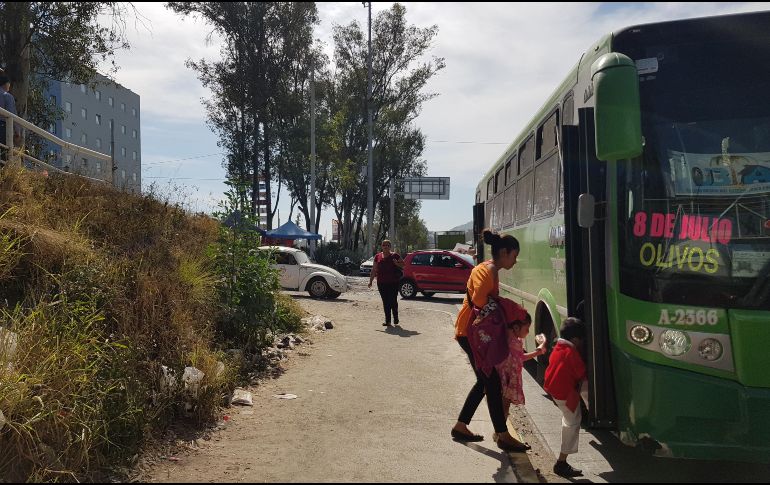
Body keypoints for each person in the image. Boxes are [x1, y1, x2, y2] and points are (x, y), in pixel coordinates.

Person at [451, 228, 530, 452]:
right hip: (471, 334)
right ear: (504, 252)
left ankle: (460, 426)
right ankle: (502, 434)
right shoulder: (489, 271)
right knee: (492, 382)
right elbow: (479, 300)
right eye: (514, 256)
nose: (515, 261)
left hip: (468, 331)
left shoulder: (487, 268)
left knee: (484, 381)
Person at [544, 317, 588, 478]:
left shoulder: (558, 346)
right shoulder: (572, 353)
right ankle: (561, 462)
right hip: (565, 394)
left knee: (569, 418)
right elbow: (583, 376)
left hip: (555, 391)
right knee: (573, 422)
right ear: (575, 340)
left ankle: (562, 461)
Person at [495, 302, 546, 421]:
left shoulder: (508, 338)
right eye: (527, 328)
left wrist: (537, 352)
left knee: (502, 406)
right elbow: (521, 357)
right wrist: (537, 352)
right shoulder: (514, 343)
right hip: (509, 380)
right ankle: (501, 431)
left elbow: (519, 357)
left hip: (504, 378)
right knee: (505, 407)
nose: (528, 332)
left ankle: (500, 430)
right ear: (516, 328)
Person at [368, 239, 404, 327]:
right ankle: (387, 321)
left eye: (388, 245)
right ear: (382, 246)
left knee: (393, 301)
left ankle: (395, 317)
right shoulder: (377, 256)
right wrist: (371, 281)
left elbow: (403, 264)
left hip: (393, 282)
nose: (386, 246)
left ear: (390, 247)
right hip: (381, 283)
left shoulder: (395, 255)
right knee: (385, 302)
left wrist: (396, 264)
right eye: (384, 245)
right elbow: (374, 269)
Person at [0, 73, 19, 161]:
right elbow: (12, 114)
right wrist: (17, 131)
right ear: (6, 84)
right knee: (3, 152)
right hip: (3, 127)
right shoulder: (7, 96)